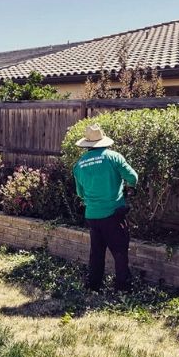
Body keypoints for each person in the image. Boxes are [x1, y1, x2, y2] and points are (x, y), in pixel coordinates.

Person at [73, 124, 138, 292]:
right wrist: (127, 186)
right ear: (103, 141)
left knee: (97, 253)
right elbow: (133, 177)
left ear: (87, 144)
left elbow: (80, 193)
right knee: (120, 252)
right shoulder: (114, 157)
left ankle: (93, 286)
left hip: (92, 215)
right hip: (114, 214)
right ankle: (123, 289)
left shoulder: (79, 165)